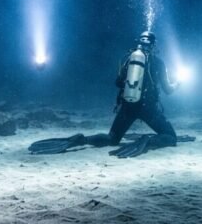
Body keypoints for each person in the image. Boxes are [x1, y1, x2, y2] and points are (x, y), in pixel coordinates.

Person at [29, 30, 189, 158]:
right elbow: (168, 90)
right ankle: (146, 140)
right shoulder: (158, 62)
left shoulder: (127, 58)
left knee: (112, 138)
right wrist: (178, 83)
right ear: (154, 45)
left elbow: (118, 82)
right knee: (170, 136)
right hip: (148, 109)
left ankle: (81, 140)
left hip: (128, 106)